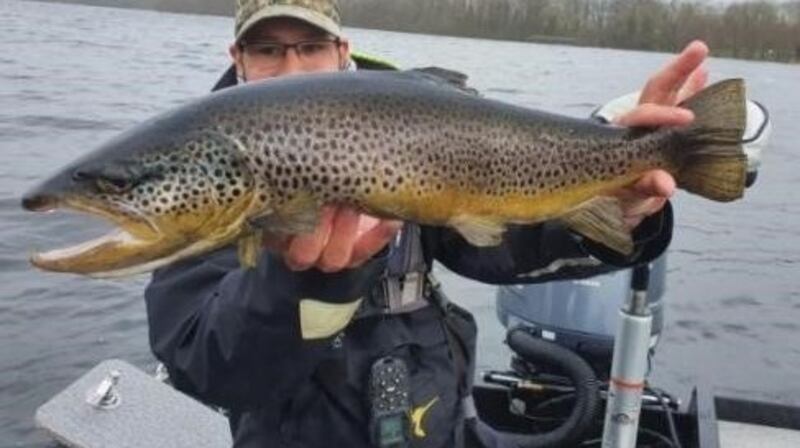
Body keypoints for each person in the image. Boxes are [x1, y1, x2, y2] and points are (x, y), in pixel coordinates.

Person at [145, 1, 713, 446]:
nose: (290, 67)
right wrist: (295, 282)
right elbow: (205, 365)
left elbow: (504, 242)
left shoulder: (406, 123)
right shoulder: (203, 167)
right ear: (238, 59)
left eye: (310, 46)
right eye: (267, 49)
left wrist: (619, 208)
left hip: (432, 414)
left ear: (342, 51)